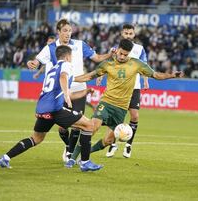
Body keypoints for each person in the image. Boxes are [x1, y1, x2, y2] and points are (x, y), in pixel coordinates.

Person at [65, 39, 184, 167]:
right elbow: (89, 76)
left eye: (125, 55)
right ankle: (73, 158)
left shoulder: (136, 64)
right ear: (118, 50)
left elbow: (155, 75)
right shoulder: (107, 64)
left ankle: (86, 153)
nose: (122, 57)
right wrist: (70, 79)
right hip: (106, 102)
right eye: (121, 53)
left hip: (121, 108)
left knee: (108, 140)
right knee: (92, 127)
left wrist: (172, 75)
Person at [0, 45, 102, 172]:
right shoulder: (66, 65)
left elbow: (70, 94)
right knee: (89, 125)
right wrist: (65, 94)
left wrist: (85, 92)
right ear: (68, 56)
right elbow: (64, 79)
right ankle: (85, 162)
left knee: (36, 138)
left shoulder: (52, 70)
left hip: (42, 109)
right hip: (55, 109)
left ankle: (5, 157)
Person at [27, 19, 112, 162]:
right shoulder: (51, 47)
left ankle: (70, 154)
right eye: (65, 31)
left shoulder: (79, 45)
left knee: (78, 125)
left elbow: (97, 58)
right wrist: (32, 63)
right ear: (58, 32)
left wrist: (110, 54)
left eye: (69, 30)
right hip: (61, 91)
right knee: (62, 128)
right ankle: (67, 145)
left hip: (79, 88)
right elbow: (37, 61)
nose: (68, 33)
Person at [97, 24, 149, 158]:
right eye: (126, 33)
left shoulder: (139, 49)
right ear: (122, 34)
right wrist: (101, 76)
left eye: (130, 33)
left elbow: (144, 66)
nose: (128, 35)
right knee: (116, 118)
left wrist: (145, 80)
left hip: (134, 86)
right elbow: (107, 64)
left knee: (135, 116)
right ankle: (112, 144)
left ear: (134, 34)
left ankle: (128, 144)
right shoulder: (115, 49)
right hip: (117, 88)